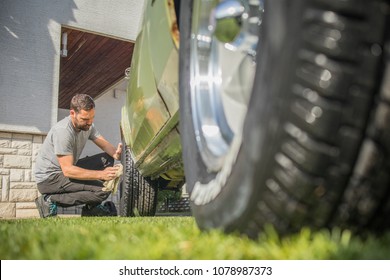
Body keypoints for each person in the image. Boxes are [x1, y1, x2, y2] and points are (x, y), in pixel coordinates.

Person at [34, 94, 122, 218]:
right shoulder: (63, 131)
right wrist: (101, 175)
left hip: (64, 172)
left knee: (107, 158)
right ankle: (50, 200)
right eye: (85, 119)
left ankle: (91, 209)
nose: (90, 122)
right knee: (103, 190)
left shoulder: (88, 126)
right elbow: (68, 170)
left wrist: (116, 154)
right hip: (49, 179)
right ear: (72, 113)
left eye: (92, 118)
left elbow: (105, 145)